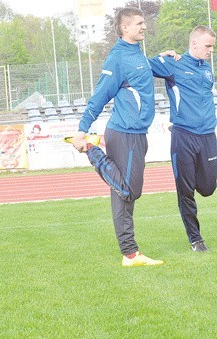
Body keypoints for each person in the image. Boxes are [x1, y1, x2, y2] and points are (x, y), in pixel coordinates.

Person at [66, 8, 163, 267]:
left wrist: (160, 58)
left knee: (124, 194)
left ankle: (130, 254)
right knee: (129, 190)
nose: (144, 27)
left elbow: (142, 69)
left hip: (137, 133)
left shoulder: (137, 55)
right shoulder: (117, 58)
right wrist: (82, 130)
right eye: (140, 23)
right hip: (124, 132)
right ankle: (91, 150)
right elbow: (99, 96)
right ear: (125, 28)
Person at [148, 25, 217, 252]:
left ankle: (194, 173)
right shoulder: (173, 64)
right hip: (183, 136)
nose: (211, 51)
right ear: (194, 43)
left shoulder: (207, 70)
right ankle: (195, 239)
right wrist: (160, 55)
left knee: (207, 188)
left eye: (212, 47)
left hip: (208, 136)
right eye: (208, 46)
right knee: (185, 190)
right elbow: (142, 67)